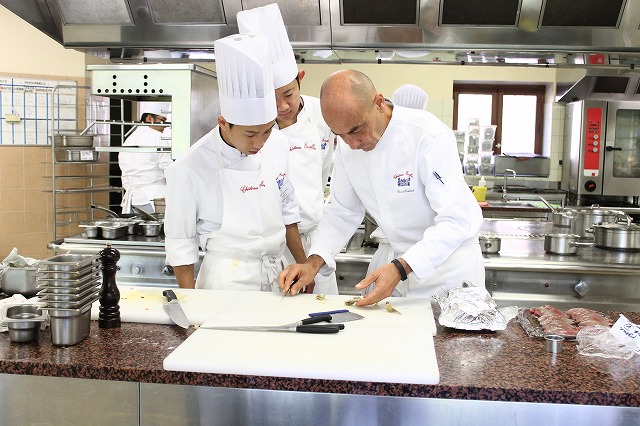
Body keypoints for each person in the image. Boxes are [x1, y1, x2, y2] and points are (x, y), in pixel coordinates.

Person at [279, 69, 485, 306]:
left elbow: (456, 220)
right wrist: (312, 263)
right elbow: (342, 211)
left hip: (447, 269)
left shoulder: (428, 136)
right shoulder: (348, 146)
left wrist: (400, 268)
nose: (352, 144)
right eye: (340, 135)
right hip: (395, 265)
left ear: (378, 103)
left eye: (356, 130)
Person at [164, 33, 304, 290]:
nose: (260, 143)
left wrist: (304, 267)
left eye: (267, 131)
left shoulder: (279, 144)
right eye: (250, 134)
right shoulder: (188, 168)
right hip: (224, 281)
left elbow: (288, 212)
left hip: (277, 275)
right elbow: (180, 244)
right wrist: (191, 302)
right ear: (223, 123)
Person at [237, 3, 338, 294]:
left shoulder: (323, 115)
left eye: (288, 94)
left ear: (300, 78)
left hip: (316, 243)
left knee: (325, 312)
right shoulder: (253, 128)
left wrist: (309, 261)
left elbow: (334, 169)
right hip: (274, 246)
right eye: (271, 98)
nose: (282, 106)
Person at [118, 102, 171, 214]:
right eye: (162, 120)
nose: (165, 125)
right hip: (153, 198)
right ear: (149, 118)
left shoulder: (129, 139)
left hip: (132, 200)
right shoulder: (157, 136)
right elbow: (169, 168)